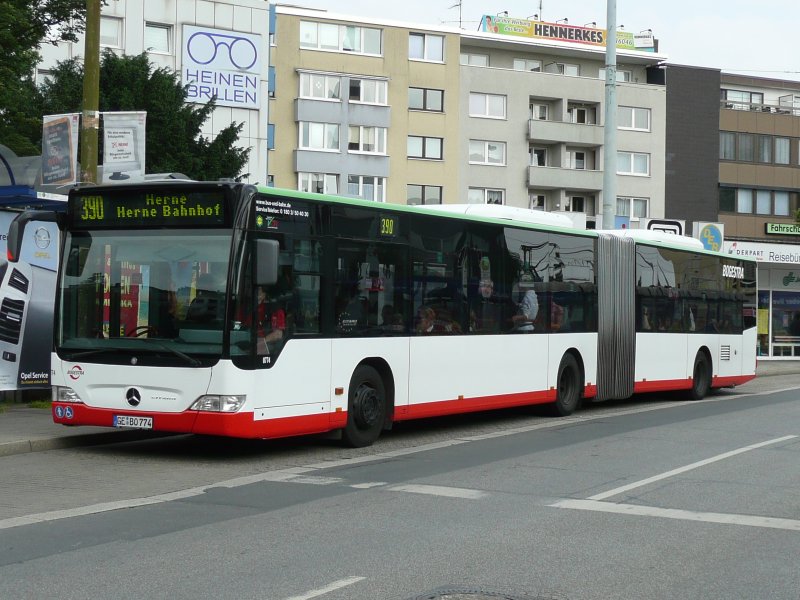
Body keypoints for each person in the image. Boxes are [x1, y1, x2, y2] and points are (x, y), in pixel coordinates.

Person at [248, 285, 286, 354]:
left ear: (264, 294)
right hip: (249, 342)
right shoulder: (249, 308)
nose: (256, 292)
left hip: (267, 347)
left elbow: (278, 334)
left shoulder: (276, 311)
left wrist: (261, 342)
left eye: (259, 290)